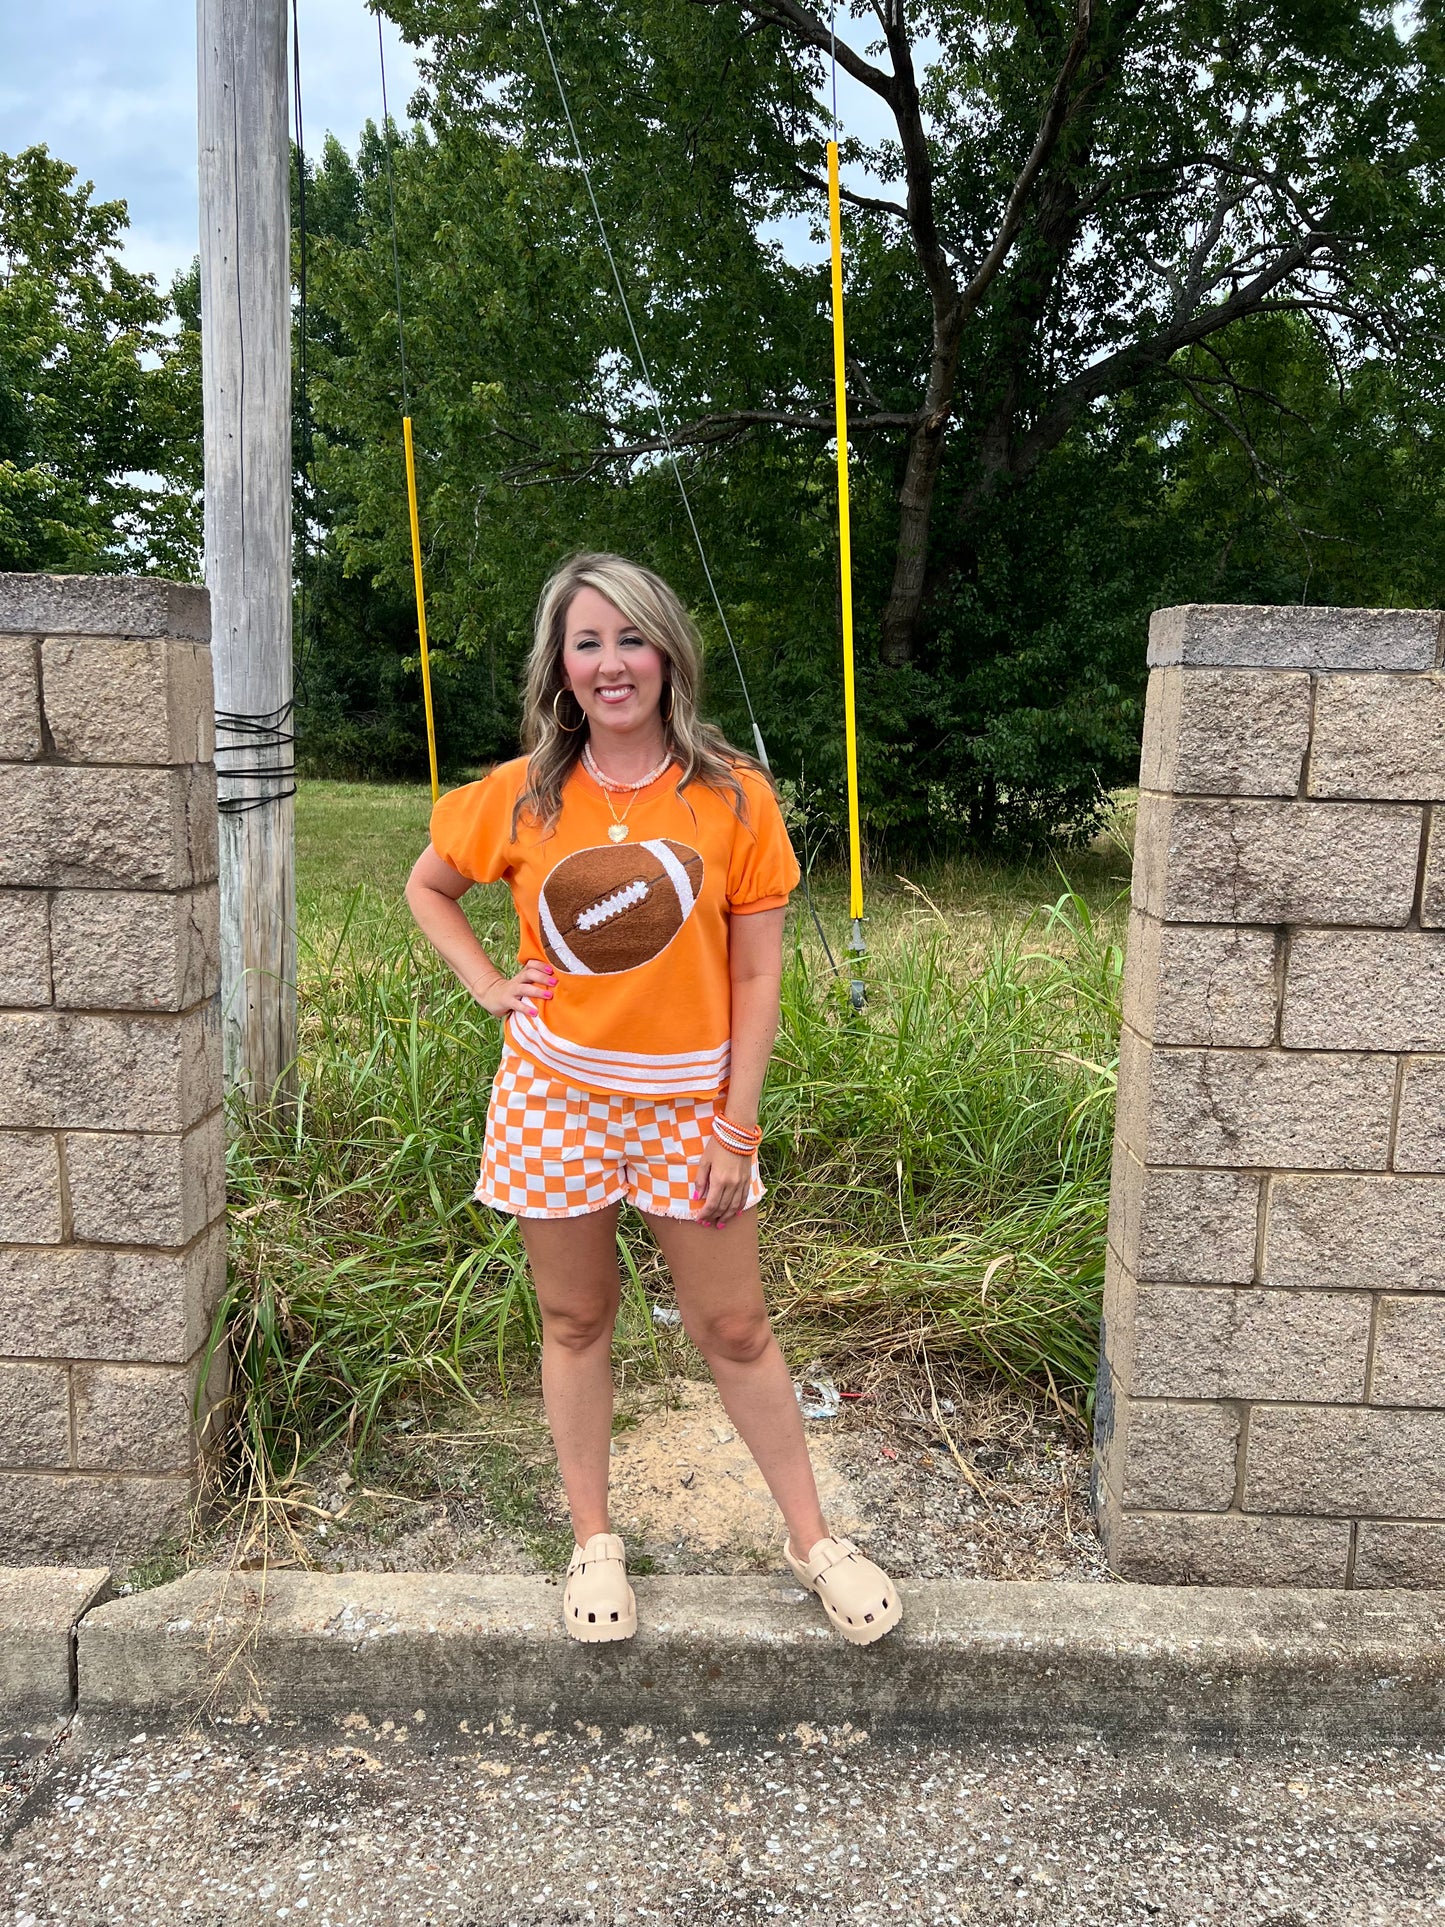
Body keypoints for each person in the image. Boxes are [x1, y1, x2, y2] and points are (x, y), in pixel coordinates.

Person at [405, 552, 902, 1647]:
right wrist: (490, 984)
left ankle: (810, 1537)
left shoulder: (732, 796)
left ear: (666, 650)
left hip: (691, 1112)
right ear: (562, 668)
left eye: (629, 638)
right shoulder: (522, 796)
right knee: (575, 1319)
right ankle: (594, 1539)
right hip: (555, 1098)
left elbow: (758, 975)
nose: (610, 662)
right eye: (586, 642)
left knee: (733, 1325)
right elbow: (427, 884)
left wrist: (736, 1122)